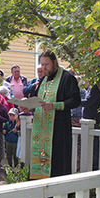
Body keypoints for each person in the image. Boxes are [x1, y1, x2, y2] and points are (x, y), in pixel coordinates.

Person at [30, 50, 81, 179]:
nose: (43, 68)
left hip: (59, 130)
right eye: (41, 64)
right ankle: (41, 196)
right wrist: (27, 107)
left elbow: (75, 100)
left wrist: (54, 105)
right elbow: (38, 100)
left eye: (46, 64)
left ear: (55, 62)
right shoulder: (43, 80)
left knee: (58, 165)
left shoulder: (67, 78)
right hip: (41, 131)